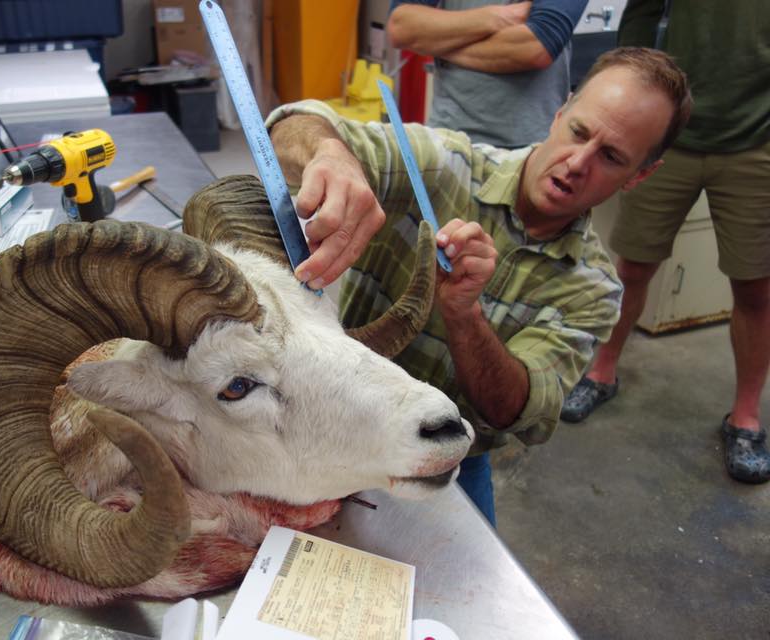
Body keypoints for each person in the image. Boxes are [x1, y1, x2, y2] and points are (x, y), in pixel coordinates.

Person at [266, 47, 692, 525]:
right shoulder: (443, 165)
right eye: (579, 132)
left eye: (611, 157)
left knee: (467, 579)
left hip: (450, 451)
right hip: (330, 415)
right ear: (561, 111)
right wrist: (330, 155)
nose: (577, 163)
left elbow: (523, 413)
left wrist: (466, 317)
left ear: (640, 175)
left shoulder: (592, 289)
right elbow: (292, 123)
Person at [559, 3, 770, 485]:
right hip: (671, 137)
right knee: (632, 266)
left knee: (755, 285)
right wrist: (634, 97)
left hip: (756, 142)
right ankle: (602, 373)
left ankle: (745, 417)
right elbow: (640, 16)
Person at [386, 0, 587, 148]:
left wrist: (439, 44)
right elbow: (401, 26)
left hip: (530, 149)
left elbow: (537, 46)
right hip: (446, 142)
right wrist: (497, 16)